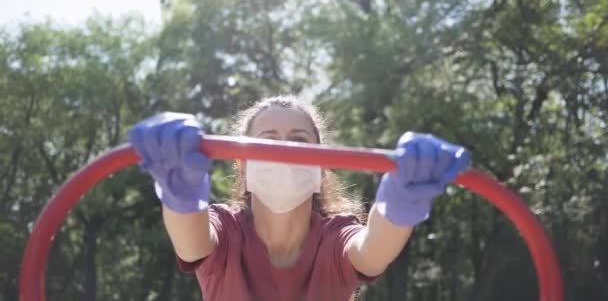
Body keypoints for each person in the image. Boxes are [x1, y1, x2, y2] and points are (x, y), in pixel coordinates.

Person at [128, 95, 470, 301]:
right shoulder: (226, 231)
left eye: (299, 139)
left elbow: (373, 250)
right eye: (268, 139)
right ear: (243, 165)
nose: (284, 149)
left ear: (322, 167)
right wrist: (180, 190)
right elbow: (191, 242)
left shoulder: (334, 238)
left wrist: (402, 198)